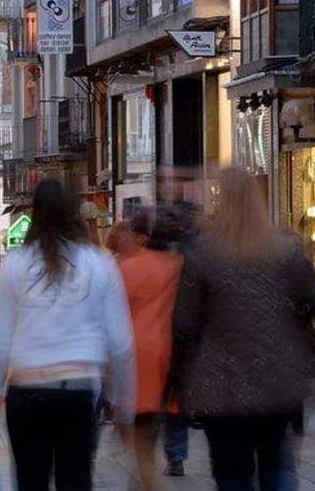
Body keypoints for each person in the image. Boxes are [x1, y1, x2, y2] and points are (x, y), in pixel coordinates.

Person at [171, 168, 315, 491]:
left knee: (232, 475)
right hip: (275, 379)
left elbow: (185, 322)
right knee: (277, 466)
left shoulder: (204, 253)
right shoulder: (283, 249)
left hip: (222, 384)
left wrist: (180, 378)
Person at [0, 179, 136, 491]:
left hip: (26, 393)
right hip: (77, 392)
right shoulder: (98, 263)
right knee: (76, 479)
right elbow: (121, 343)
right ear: (73, 211)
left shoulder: (16, 265)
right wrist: (122, 404)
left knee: (30, 481)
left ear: (34, 212)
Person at [117, 207, 185, 490]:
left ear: (143, 237)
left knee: (141, 438)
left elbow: (114, 317)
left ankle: (146, 483)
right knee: (151, 431)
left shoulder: (126, 268)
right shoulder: (180, 266)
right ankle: (147, 477)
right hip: (171, 356)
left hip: (135, 357)